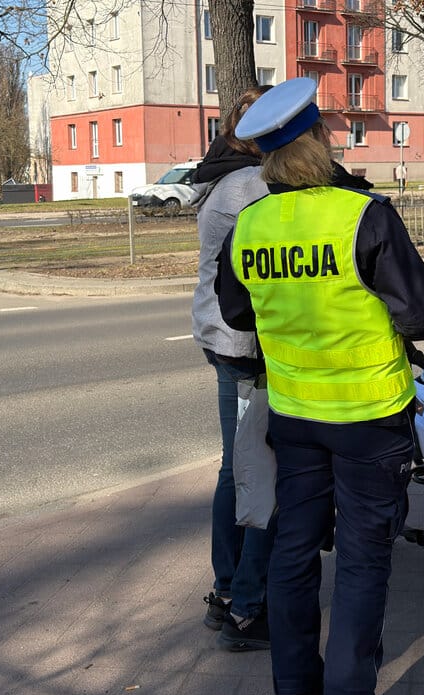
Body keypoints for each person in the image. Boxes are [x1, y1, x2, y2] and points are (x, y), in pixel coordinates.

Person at [216, 77, 424, 695]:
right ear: (318, 140)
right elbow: (423, 316)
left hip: (296, 416)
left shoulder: (249, 224)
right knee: (365, 560)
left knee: (292, 551)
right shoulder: (362, 215)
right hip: (369, 417)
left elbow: (235, 314)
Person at [190, 85, 274, 651]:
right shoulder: (251, 186)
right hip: (246, 344)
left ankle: (226, 590)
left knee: (234, 468)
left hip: (220, 336)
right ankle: (245, 604)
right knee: (257, 471)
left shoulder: (223, 175)